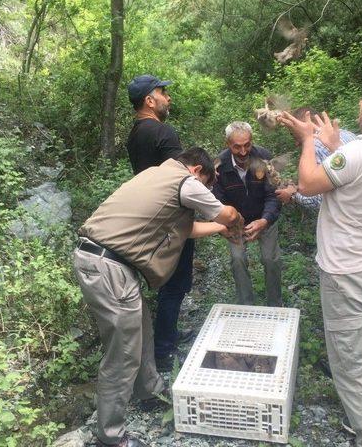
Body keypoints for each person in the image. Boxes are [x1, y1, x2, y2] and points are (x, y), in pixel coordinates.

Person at [278, 76, 362, 447]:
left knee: (354, 367)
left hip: (346, 271)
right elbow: (352, 173)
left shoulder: (358, 153)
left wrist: (309, 140)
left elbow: (307, 184)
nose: (359, 102)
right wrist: (335, 146)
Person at [74, 148, 243, 447]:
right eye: (207, 185)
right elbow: (225, 213)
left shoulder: (157, 174)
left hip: (102, 261)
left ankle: (149, 392)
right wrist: (234, 220)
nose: (203, 192)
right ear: (197, 171)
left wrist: (218, 229)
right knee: (122, 354)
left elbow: (186, 229)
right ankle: (111, 438)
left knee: (142, 331)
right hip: (109, 267)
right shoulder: (185, 181)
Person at [125, 74, 195, 372]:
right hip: (170, 219)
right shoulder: (163, 132)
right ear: (149, 101)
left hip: (148, 217)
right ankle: (163, 350)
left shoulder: (134, 134)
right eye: (163, 92)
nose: (168, 98)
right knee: (176, 284)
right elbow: (179, 181)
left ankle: (166, 337)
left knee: (165, 281)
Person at [212, 121, 282, 306]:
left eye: (247, 145)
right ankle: (246, 304)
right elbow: (216, 203)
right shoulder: (219, 165)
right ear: (228, 144)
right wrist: (230, 224)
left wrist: (265, 220)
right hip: (236, 221)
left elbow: (273, 195)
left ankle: (275, 305)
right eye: (237, 147)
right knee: (237, 259)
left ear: (252, 141)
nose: (243, 152)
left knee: (271, 259)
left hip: (263, 216)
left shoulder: (264, 158)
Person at [275, 107, 356, 209]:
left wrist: (292, 195)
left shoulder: (315, 146)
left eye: (296, 136)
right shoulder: (346, 134)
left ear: (306, 126)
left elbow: (317, 200)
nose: (296, 143)